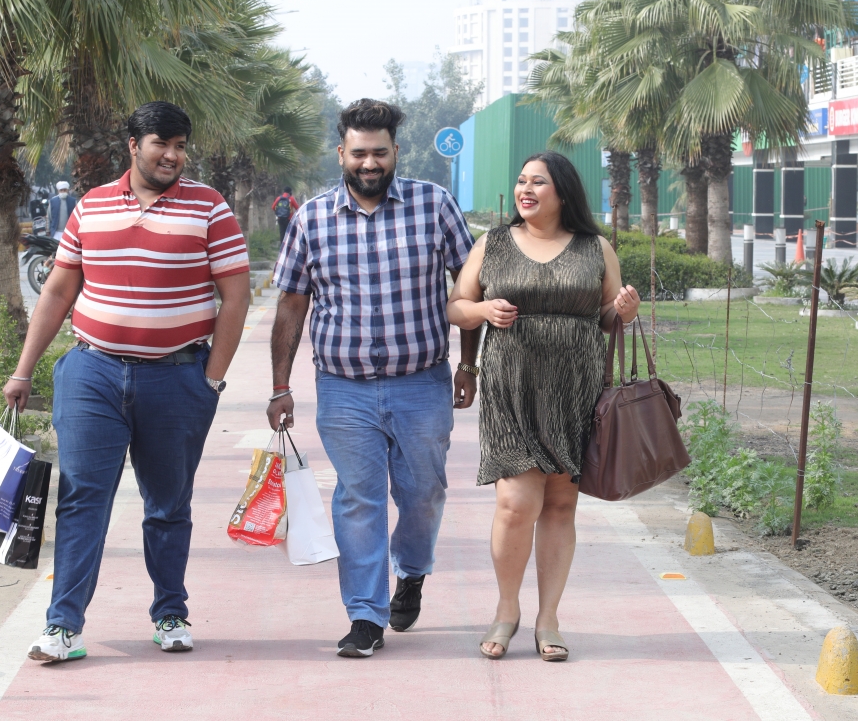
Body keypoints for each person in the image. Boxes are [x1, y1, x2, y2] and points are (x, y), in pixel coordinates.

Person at [3, 101, 251, 663]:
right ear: (133, 145)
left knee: (168, 504)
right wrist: (24, 370)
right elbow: (59, 292)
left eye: (181, 145)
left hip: (177, 378)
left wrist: (210, 380)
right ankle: (63, 626)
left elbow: (234, 298)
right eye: (162, 143)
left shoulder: (209, 208)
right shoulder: (90, 207)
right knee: (83, 498)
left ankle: (170, 613)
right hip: (91, 373)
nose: (173, 155)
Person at [268, 99, 480, 658]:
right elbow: (291, 305)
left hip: (421, 383)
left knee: (423, 493)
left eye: (379, 152)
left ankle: (410, 570)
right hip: (344, 389)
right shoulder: (311, 218)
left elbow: (470, 288)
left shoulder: (434, 207)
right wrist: (280, 384)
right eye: (358, 152)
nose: (369, 162)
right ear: (342, 153)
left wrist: (468, 362)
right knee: (359, 498)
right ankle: (365, 614)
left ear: (395, 153)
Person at [446, 151, 640, 662]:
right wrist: (483, 308)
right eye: (521, 180)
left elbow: (606, 318)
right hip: (511, 386)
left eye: (538, 182)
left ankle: (548, 616)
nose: (525, 189)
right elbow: (456, 306)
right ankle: (506, 609)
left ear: (563, 192)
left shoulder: (595, 247)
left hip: (575, 387)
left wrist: (623, 310)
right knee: (515, 504)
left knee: (559, 504)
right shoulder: (494, 243)